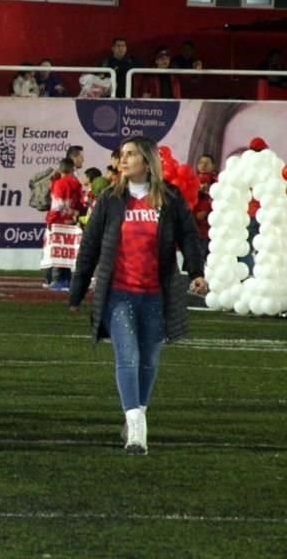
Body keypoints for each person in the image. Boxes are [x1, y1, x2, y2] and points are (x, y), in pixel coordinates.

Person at [69, 136, 206, 455]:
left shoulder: (169, 199)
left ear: (147, 160)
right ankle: (136, 426)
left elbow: (188, 236)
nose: (123, 160)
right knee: (127, 357)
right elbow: (90, 246)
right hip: (118, 293)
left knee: (149, 361)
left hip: (157, 295)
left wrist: (197, 272)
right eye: (122, 155)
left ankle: (137, 412)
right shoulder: (109, 199)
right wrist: (77, 292)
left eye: (131, 154)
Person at [44, 158, 84, 292]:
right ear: (72, 169)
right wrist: (75, 214)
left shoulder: (59, 184)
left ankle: (58, 280)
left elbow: (57, 205)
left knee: (57, 250)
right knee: (68, 251)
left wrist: (50, 220)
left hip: (59, 220)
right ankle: (68, 279)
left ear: (60, 169)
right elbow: (80, 203)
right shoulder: (77, 184)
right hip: (72, 220)